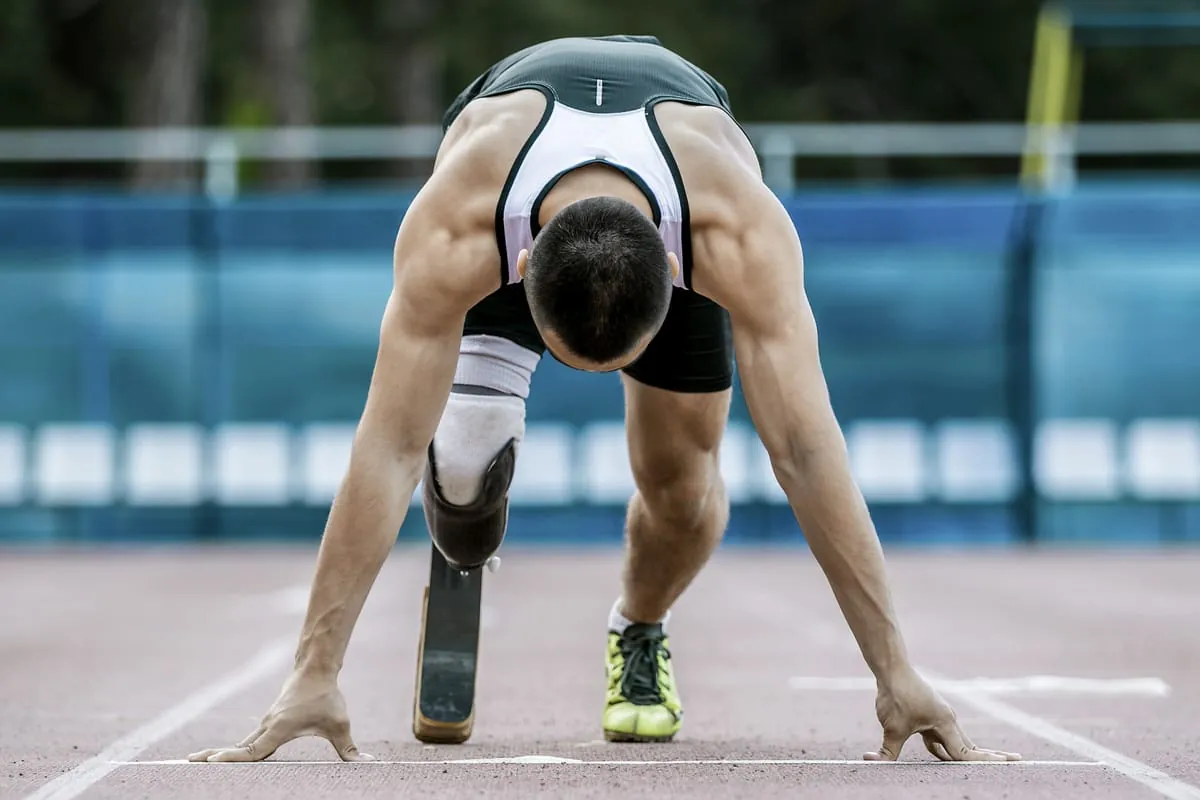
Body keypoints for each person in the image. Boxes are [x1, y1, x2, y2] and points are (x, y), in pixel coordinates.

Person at [188, 34, 1020, 764]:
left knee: (683, 498)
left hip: (673, 182)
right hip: (510, 181)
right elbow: (385, 447)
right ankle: (464, 523)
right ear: (517, 285)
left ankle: (640, 626)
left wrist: (895, 671)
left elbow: (804, 452)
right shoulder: (456, 229)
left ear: (674, 280)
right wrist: (314, 672)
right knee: (461, 449)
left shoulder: (736, 234)